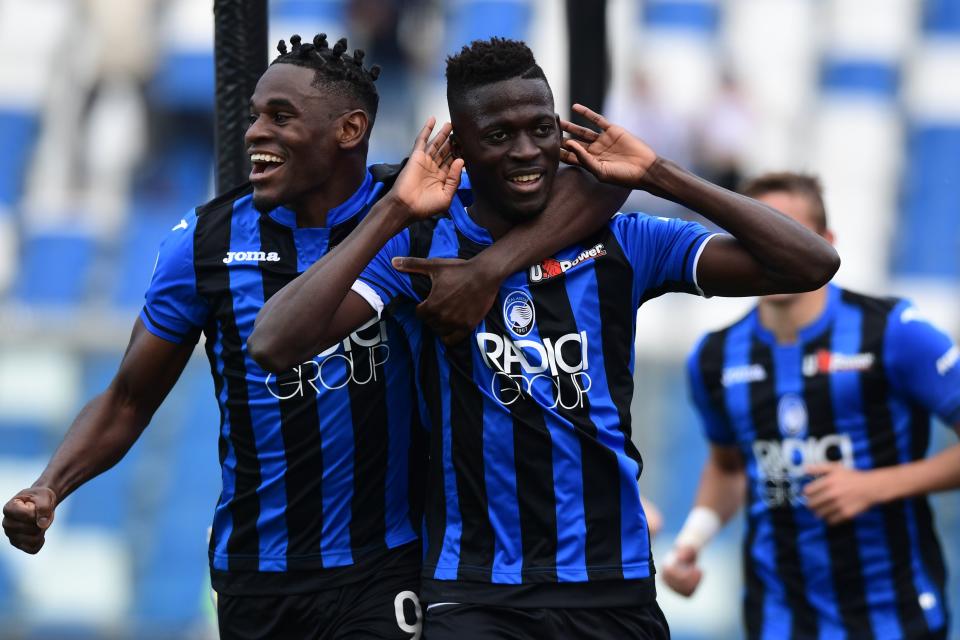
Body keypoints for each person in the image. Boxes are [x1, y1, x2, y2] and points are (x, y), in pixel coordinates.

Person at [1, 34, 629, 639]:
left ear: (348, 131)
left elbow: (592, 185)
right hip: (256, 573)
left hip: (385, 566)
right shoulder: (204, 243)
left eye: (280, 117)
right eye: (254, 118)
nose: (255, 134)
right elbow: (129, 398)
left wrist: (487, 266)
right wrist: (51, 485)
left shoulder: (422, 207)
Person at [248, 38, 839, 639]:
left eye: (539, 128)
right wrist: (395, 209)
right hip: (476, 592)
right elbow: (273, 343)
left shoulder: (625, 242)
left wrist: (661, 174)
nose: (526, 150)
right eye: (498, 136)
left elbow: (810, 264)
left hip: (613, 581)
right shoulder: (422, 249)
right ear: (461, 146)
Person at [662, 172, 960, 640]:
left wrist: (876, 486)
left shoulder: (893, 331)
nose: (773, 251)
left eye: (790, 235)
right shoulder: (715, 357)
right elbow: (728, 466)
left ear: (826, 243)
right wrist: (692, 541)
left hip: (895, 615)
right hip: (778, 617)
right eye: (758, 235)